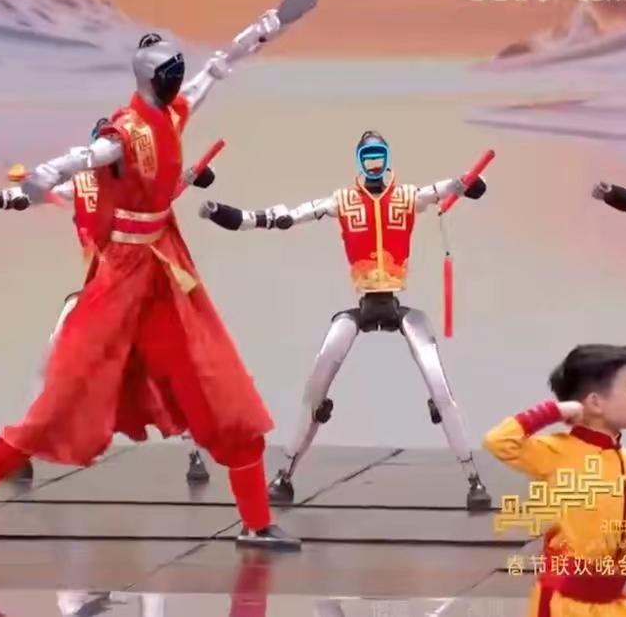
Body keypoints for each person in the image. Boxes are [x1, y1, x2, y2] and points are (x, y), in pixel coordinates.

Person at [0, 0, 320, 557]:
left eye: (177, 73)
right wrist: (44, 175)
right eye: (169, 75)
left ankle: (255, 522)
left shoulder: (173, 114)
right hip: (118, 282)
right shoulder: (124, 132)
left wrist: (272, 24)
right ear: (149, 79)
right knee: (56, 408)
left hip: (164, 276)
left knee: (217, 389)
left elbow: (218, 66)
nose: (178, 81)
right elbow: (87, 157)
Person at [200, 131, 491, 509]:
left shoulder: (407, 197)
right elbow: (286, 216)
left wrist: (467, 184)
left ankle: (473, 477)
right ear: (359, 160)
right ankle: (284, 473)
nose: (374, 163)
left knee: (440, 387)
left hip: (395, 300)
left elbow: (458, 186)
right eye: (368, 156)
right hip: (363, 302)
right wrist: (227, 215)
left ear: (387, 158)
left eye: (378, 155)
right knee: (317, 384)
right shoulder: (343, 200)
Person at [0, 118, 219, 483]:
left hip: (138, 295)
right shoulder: (83, 185)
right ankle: (21, 451)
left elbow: (176, 184)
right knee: (53, 363)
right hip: (101, 295)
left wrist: (197, 176)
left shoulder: (142, 186)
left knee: (165, 374)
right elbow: (16, 199)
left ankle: (196, 454)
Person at [484, 344, 626, 617]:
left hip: (613, 603)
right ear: (595, 403)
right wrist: (556, 411)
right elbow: (498, 441)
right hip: (565, 604)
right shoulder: (558, 452)